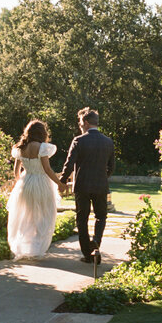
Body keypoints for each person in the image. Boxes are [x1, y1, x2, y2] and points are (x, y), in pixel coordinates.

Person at [60, 107, 115, 264]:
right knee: (101, 217)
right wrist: (103, 177)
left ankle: (87, 253)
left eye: (79, 122)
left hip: (82, 186)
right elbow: (112, 167)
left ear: (85, 122)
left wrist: (62, 182)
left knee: (82, 219)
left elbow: (69, 164)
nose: (79, 125)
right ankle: (96, 241)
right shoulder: (108, 142)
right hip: (100, 185)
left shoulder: (78, 141)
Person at [7, 120, 66, 259]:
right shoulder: (42, 148)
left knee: (26, 215)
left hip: (26, 183)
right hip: (41, 183)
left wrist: (22, 182)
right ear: (42, 133)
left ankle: (25, 247)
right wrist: (59, 183)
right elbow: (47, 169)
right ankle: (37, 247)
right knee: (44, 215)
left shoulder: (20, 148)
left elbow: (16, 172)